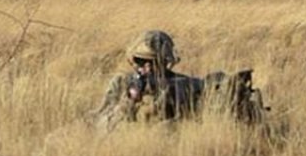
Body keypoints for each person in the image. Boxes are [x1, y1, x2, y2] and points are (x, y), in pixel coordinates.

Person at [91, 30, 267, 132]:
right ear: (132, 60)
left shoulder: (182, 83)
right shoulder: (122, 83)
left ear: (166, 61)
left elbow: (211, 98)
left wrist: (230, 90)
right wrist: (129, 102)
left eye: (154, 62)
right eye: (141, 61)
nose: (148, 67)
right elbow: (102, 125)